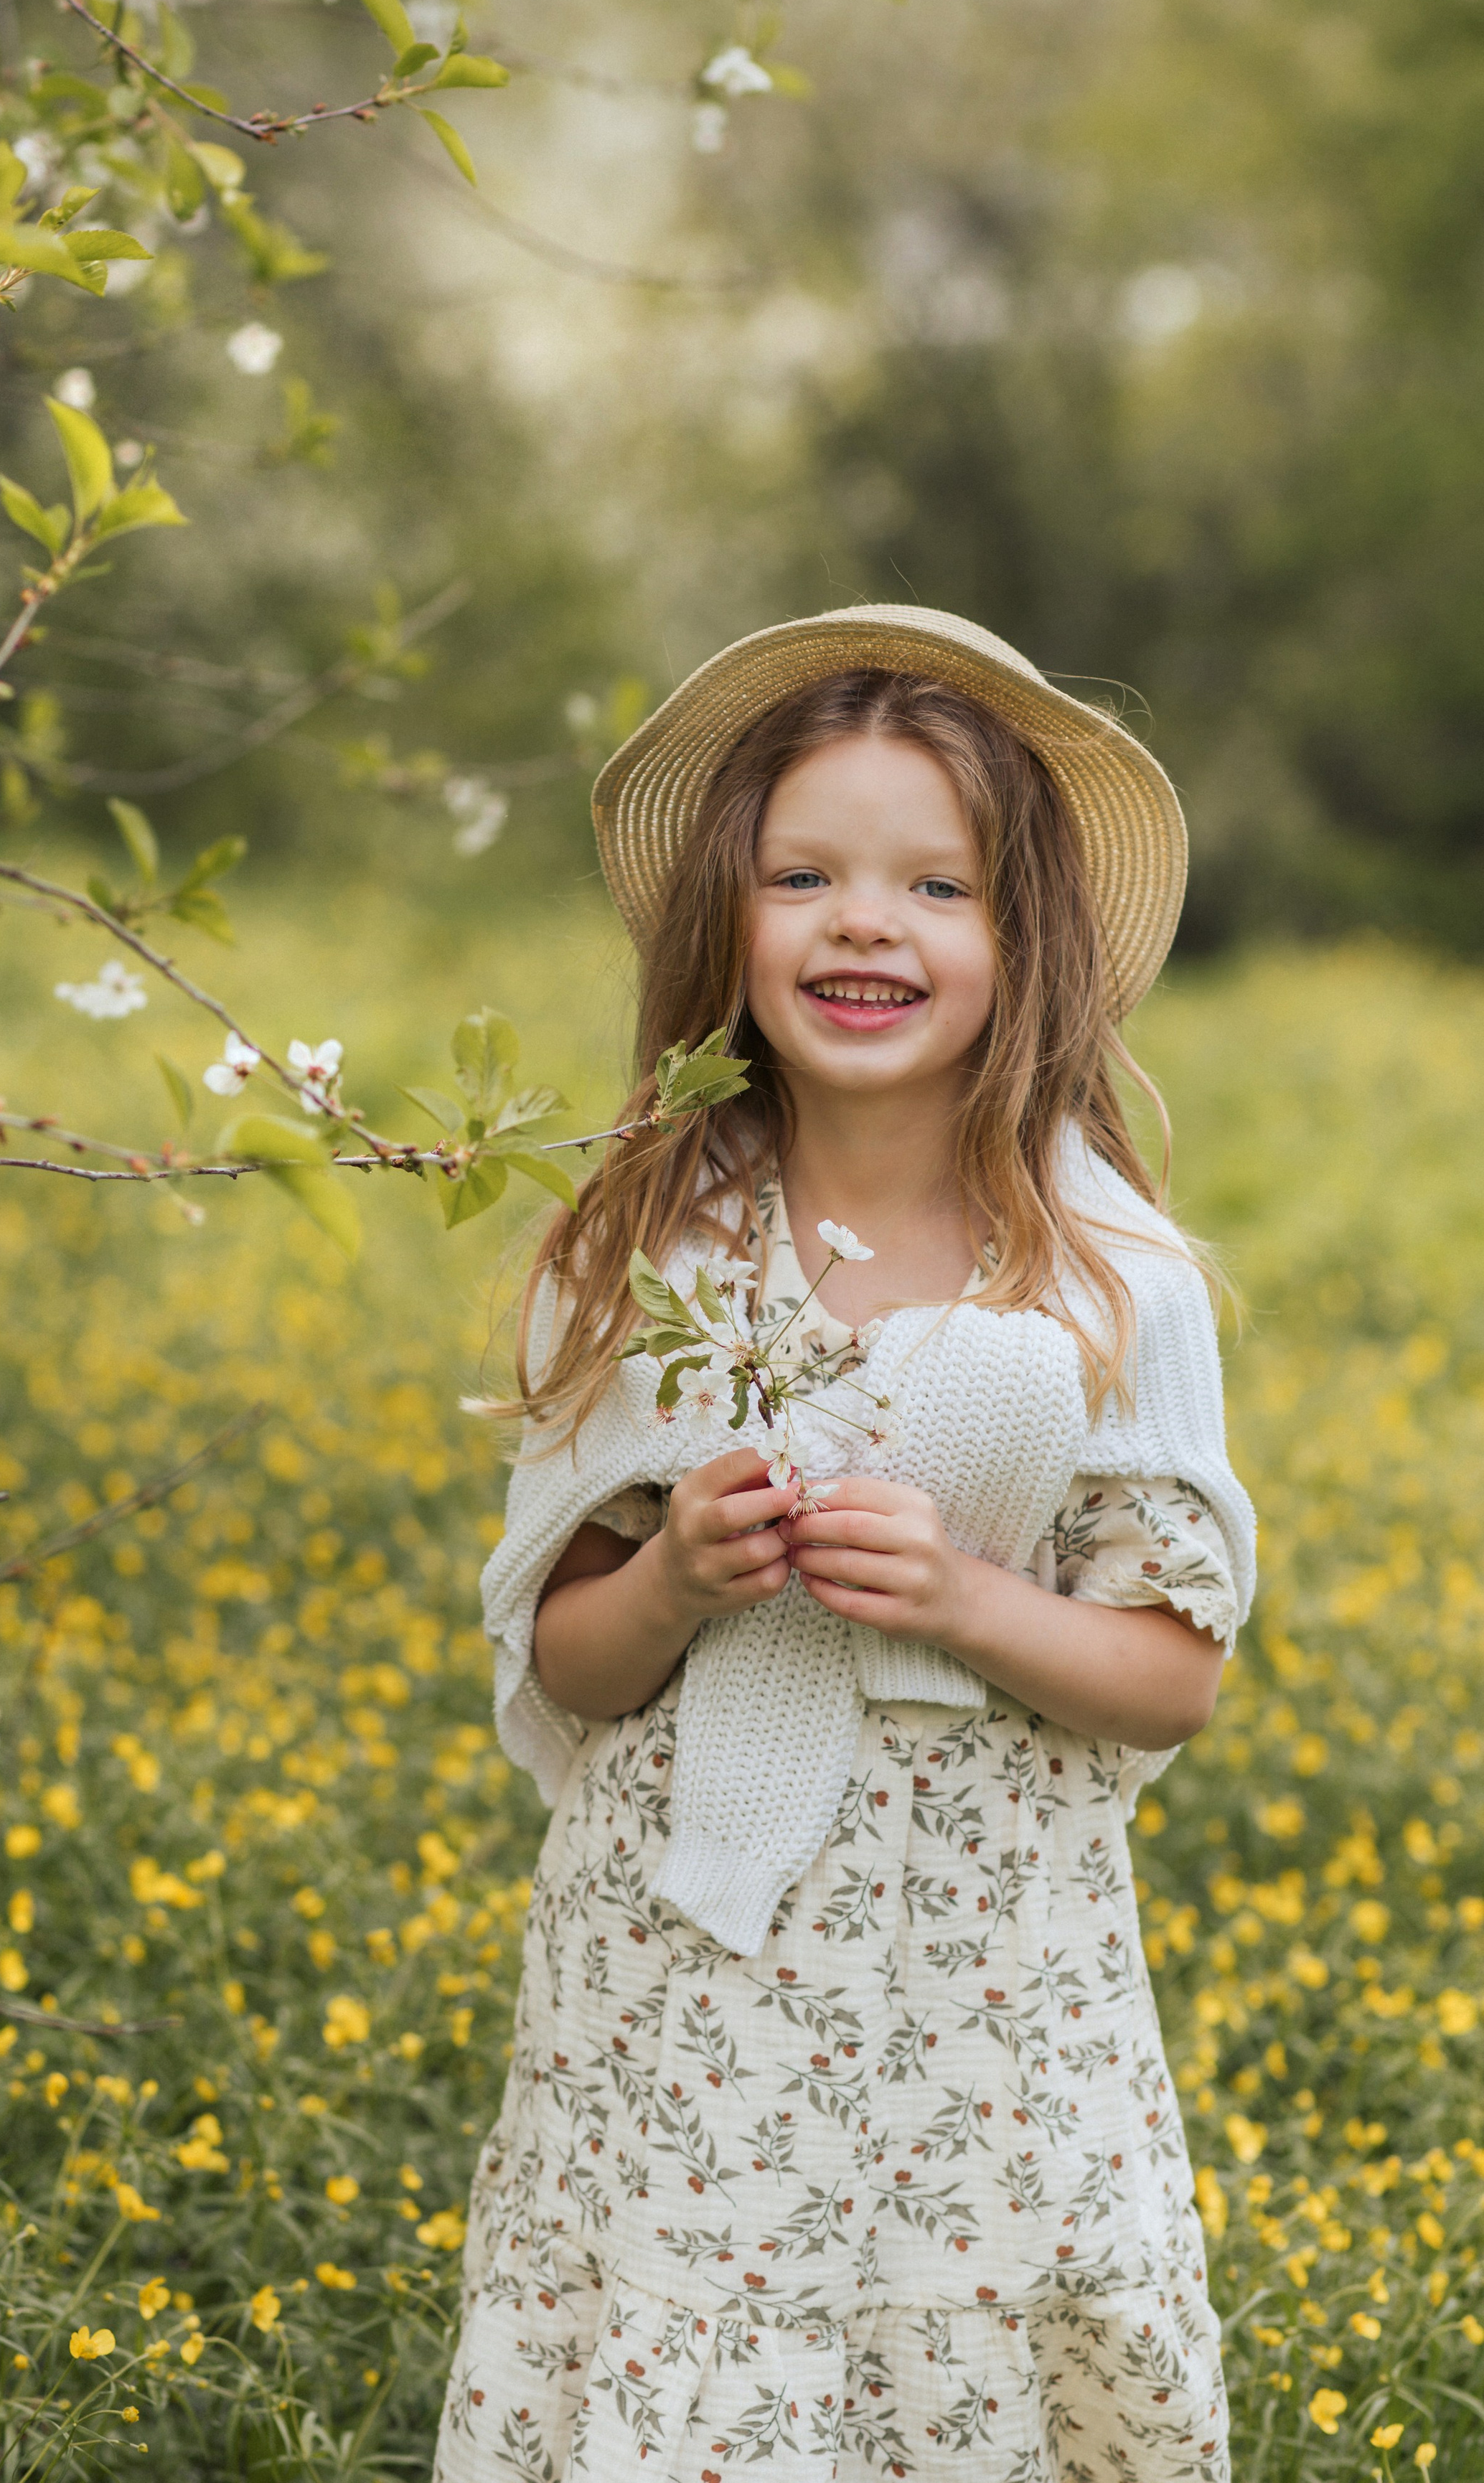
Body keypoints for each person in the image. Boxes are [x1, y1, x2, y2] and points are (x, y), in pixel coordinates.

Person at [435, 606, 1254, 2482]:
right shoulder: (652, 1246)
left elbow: (1169, 1676)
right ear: (729, 923)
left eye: (934, 885)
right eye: (803, 874)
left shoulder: (1108, 1276)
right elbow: (564, 1655)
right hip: (685, 1996)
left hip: (980, 2003)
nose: (863, 921)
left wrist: (968, 1600)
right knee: (700, 2367)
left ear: (1016, 937)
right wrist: (674, 1579)